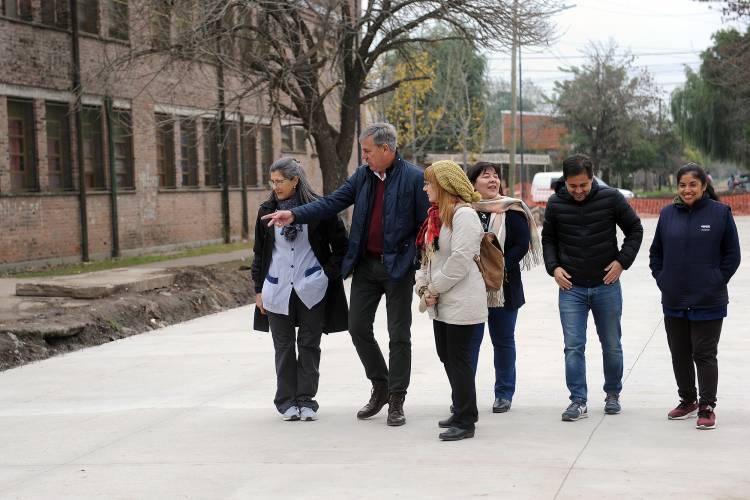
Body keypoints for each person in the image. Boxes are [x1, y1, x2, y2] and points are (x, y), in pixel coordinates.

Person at [262, 123, 430, 426]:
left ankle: (396, 398)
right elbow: (331, 203)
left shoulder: (414, 179)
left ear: (386, 149)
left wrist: (415, 261)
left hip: (397, 269)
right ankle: (380, 384)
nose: (363, 156)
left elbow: (425, 226)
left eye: (367, 151)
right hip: (365, 266)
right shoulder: (363, 177)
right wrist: (295, 214)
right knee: (358, 328)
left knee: (398, 335)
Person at [541, 154, 643, 421]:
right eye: (573, 186)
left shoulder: (611, 198)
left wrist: (622, 262)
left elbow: (635, 229)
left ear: (592, 178)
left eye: (583, 185)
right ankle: (578, 400)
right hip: (570, 288)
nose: (578, 191)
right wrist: (554, 267)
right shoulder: (555, 203)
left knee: (611, 345)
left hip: (606, 286)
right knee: (573, 346)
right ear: (565, 181)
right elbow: (548, 239)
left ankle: (612, 394)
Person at [252, 158, 349, 421]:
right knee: (283, 347)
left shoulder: (321, 209)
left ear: (295, 180)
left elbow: (342, 249)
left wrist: (325, 276)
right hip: (276, 288)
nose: (275, 187)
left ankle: (306, 400)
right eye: (272, 182)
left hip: (311, 289)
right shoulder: (266, 210)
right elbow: (259, 254)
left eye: (280, 181)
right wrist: (258, 290)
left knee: (309, 345)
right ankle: (285, 402)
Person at [649, 163, 741, 430]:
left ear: (703, 186)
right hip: (674, 299)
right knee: (679, 353)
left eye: (692, 184)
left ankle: (707, 406)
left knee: (704, 353)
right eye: (682, 185)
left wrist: (714, 281)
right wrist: (662, 279)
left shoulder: (720, 213)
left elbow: (732, 256)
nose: (687, 189)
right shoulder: (667, 214)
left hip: (708, 300)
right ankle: (688, 400)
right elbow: (656, 253)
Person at [415, 160, 487, 441]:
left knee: (458, 359)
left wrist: (434, 287)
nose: (424, 188)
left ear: (444, 185)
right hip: (442, 301)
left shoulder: (464, 216)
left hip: (461, 300)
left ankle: (466, 419)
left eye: (428, 183)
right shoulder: (437, 216)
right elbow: (428, 256)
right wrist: (423, 285)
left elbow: (460, 260)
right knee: (447, 356)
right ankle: (461, 409)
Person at [465, 162, 543, 413]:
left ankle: (504, 394)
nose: (492, 180)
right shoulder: (465, 210)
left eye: (496, 176)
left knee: (504, 341)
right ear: (472, 182)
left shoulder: (513, 208)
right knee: (470, 344)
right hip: (471, 286)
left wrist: (497, 268)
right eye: (485, 176)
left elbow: (521, 245)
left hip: (505, 285)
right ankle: (465, 395)